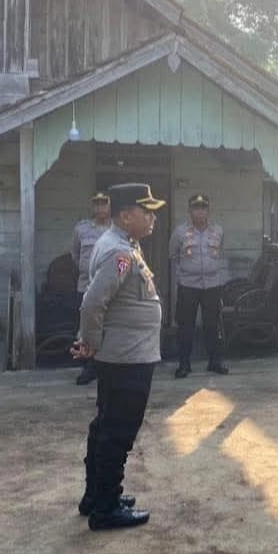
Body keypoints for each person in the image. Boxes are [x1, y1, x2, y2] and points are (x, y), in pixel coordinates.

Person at [70, 183, 166, 531]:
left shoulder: (124, 244)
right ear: (126, 216)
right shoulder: (118, 252)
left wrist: (92, 342)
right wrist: (90, 343)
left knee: (105, 425)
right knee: (118, 431)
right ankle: (106, 509)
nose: (153, 217)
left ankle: (97, 496)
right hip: (127, 357)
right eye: (146, 211)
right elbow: (93, 302)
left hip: (126, 353)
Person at [169, 193, 229, 378]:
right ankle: (184, 364)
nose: (200, 211)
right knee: (185, 326)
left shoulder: (218, 231)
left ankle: (214, 361)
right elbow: (173, 256)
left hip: (212, 285)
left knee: (212, 325)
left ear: (208, 210)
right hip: (188, 285)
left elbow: (221, 253)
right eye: (196, 207)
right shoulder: (179, 232)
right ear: (189, 210)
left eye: (203, 208)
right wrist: (181, 277)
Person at [71, 191, 112, 386]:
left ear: (110, 206)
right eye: (97, 204)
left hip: (111, 289)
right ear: (92, 207)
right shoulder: (82, 229)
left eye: (104, 203)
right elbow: (75, 255)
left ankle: (107, 365)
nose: (100, 207)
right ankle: (89, 367)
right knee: (87, 328)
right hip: (86, 286)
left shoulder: (118, 230)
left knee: (110, 327)